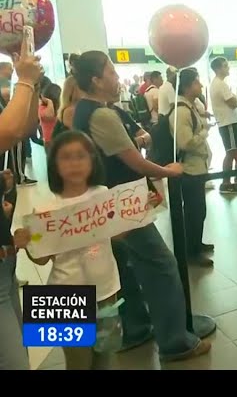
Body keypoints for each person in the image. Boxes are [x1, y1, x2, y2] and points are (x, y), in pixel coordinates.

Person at [72, 50, 210, 361]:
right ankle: (175, 341)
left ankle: (134, 327)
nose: (116, 78)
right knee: (161, 265)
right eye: (110, 72)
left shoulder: (81, 110)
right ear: (95, 80)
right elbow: (134, 163)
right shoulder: (103, 114)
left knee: (127, 267)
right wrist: (169, 171)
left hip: (104, 201)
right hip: (122, 204)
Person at [13, 131, 162, 369]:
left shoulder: (103, 194)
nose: (74, 163)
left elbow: (114, 235)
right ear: (54, 164)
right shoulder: (45, 209)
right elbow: (41, 260)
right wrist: (27, 242)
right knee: (78, 362)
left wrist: (140, 212)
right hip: (62, 295)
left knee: (105, 356)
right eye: (66, 157)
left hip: (106, 290)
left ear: (93, 161)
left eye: (81, 156)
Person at [0, 42, 43, 370]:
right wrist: (24, 80)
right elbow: (9, 130)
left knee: (23, 346)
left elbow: (24, 129)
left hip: (6, 258)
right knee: (14, 359)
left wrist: (32, 82)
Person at [169, 68, 214, 267]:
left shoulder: (190, 106)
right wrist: (204, 132)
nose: (201, 85)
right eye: (197, 82)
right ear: (187, 86)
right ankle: (192, 251)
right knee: (194, 211)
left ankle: (196, 243)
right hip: (189, 168)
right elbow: (185, 142)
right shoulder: (181, 111)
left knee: (199, 210)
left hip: (198, 167)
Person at [209, 57, 237, 193]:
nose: (228, 68)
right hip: (228, 123)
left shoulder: (219, 83)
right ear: (218, 69)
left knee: (234, 151)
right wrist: (235, 98)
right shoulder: (220, 84)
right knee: (230, 153)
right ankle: (225, 183)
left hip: (230, 122)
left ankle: (232, 180)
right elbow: (233, 102)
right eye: (225, 66)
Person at [39, 83, 61, 152]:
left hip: (61, 139)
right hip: (49, 141)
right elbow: (49, 115)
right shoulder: (41, 108)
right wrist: (50, 102)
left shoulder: (59, 107)